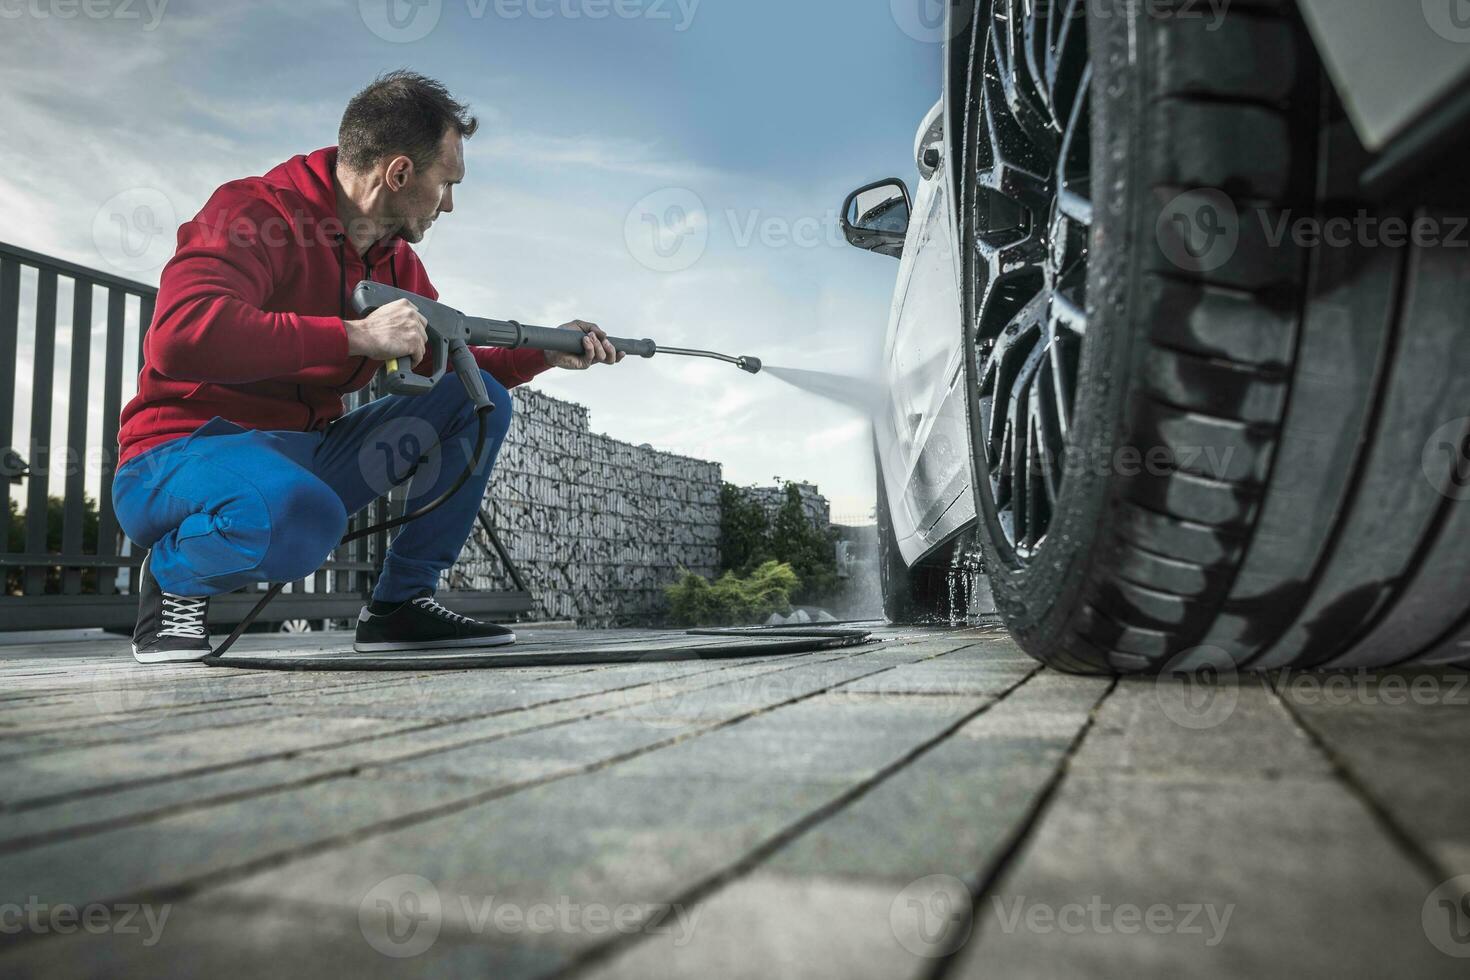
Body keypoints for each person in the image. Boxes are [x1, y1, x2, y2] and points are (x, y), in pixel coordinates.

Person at [112, 71, 622, 664]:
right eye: (447, 183)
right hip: (177, 457)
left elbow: (451, 358)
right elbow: (181, 336)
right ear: (400, 173)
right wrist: (354, 336)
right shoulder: (252, 212)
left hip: (302, 455)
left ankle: (400, 605)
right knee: (303, 513)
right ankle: (174, 574)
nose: (449, 204)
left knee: (477, 397)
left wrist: (543, 353)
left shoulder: (395, 263)